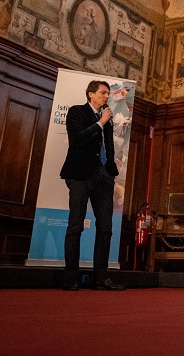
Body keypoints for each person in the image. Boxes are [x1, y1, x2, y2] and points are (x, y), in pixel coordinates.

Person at [60, 80, 125, 291]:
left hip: (103, 177)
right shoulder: (77, 112)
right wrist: (100, 123)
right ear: (91, 94)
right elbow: (76, 140)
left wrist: (110, 171)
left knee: (106, 228)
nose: (107, 97)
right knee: (75, 225)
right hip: (80, 175)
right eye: (103, 93)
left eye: (108, 93)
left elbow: (108, 147)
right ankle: (70, 278)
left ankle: (101, 277)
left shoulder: (107, 117)